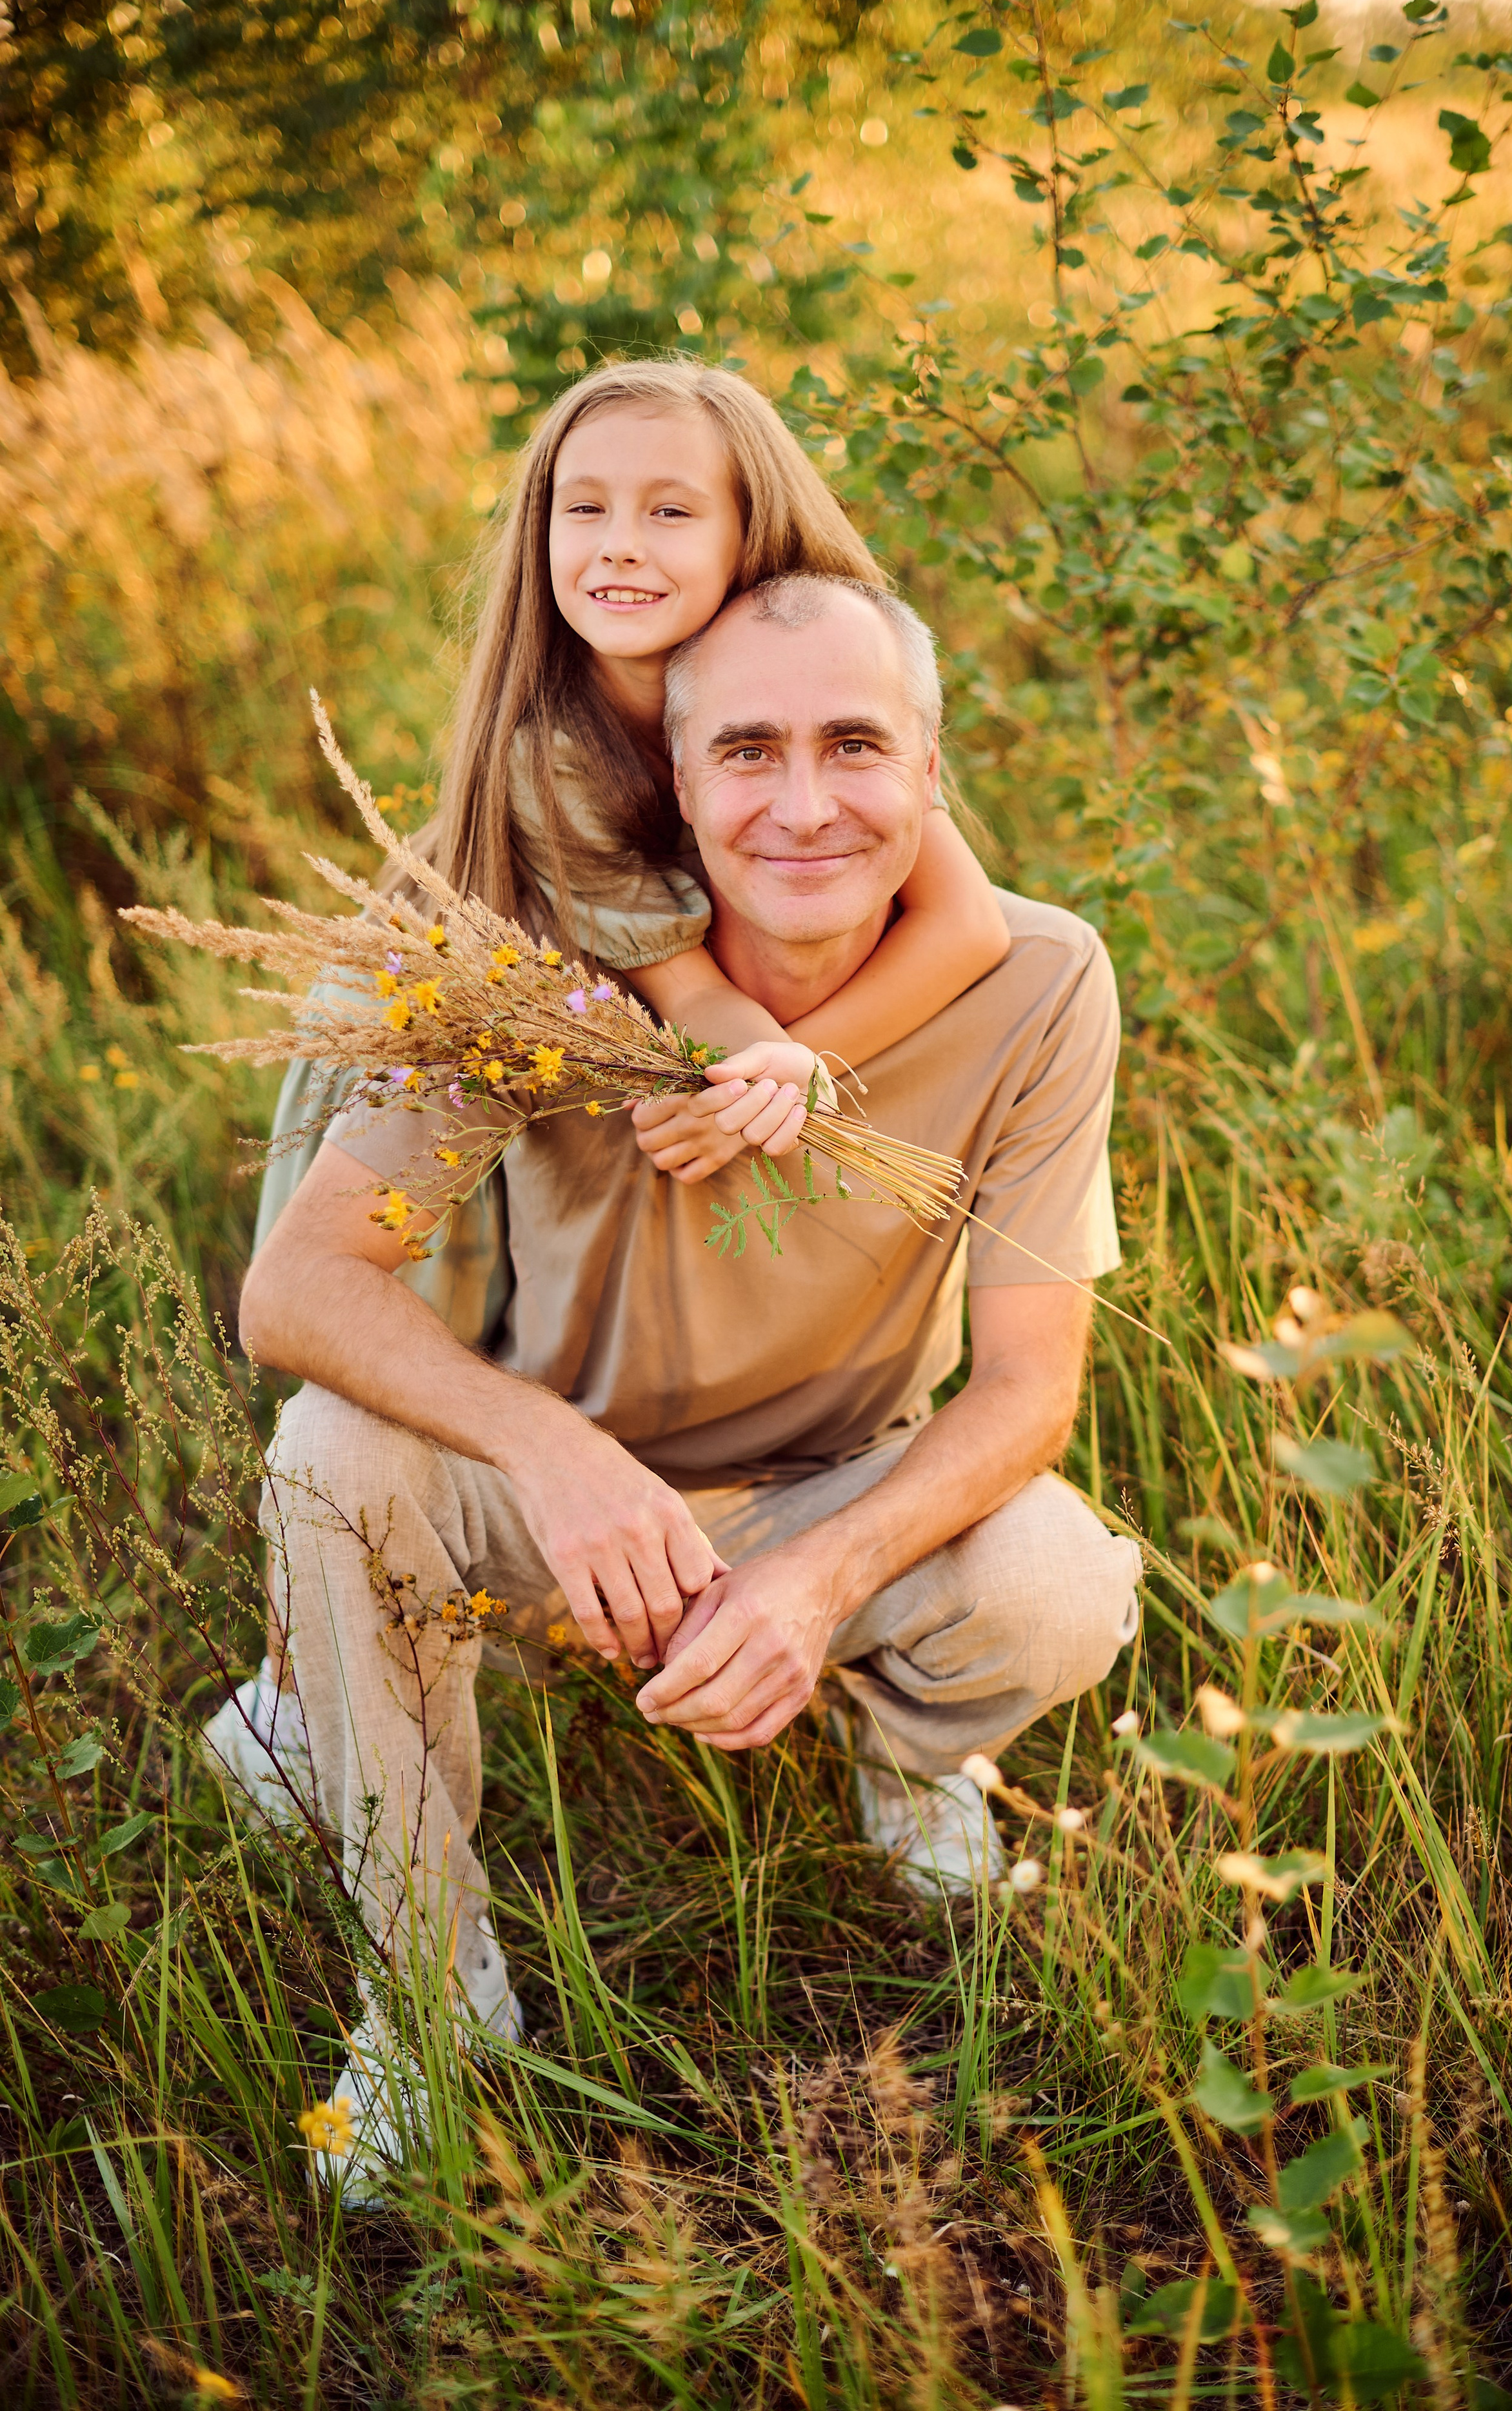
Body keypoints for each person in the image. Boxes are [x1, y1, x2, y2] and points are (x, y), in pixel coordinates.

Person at [237, 570, 1140, 2201]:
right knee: (325, 1457)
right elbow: (296, 1289)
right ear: (677, 783)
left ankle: (909, 1754)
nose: (805, 804)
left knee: (1060, 1585)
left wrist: (813, 1577)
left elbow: (1025, 1392)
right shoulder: (546, 982)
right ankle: (437, 2008)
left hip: (826, 1479)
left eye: (856, 744)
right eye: (748, 752)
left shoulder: (1041, 983)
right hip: (557, 1503)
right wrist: (553, 1455)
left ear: (932, 774)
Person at [206, 358, 1009, 1803]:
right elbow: (692, 993)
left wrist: (807, 1066)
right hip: (453, 1032)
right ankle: (295, 1682)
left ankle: (833, 1672)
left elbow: (968, 922)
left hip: (616, 1050)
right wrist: (754, 1059)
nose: (617, 546)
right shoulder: (556, 752)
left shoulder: (811, 684)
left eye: (665, 511)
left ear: (748, 533)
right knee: (401, 1333)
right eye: (583, 508)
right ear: (539, 531)